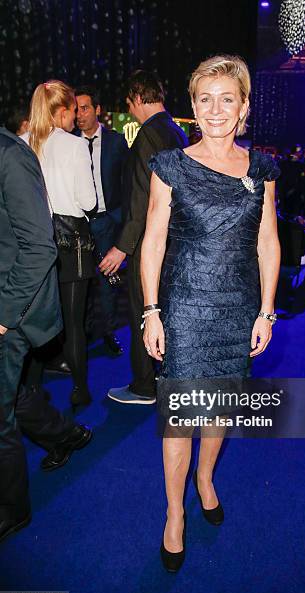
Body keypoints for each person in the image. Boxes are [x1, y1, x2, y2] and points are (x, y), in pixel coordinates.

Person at [141, 55, 281, 571]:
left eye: (228, 98)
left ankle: (205, 479)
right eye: (205, 99)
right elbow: (152, 241)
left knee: (220, 407)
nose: (216, 109)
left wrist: (267, 312)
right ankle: (174, 513)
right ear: (193, 107)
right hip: (186, 307)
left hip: (239, 307)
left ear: (244, 105)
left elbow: (268, 242)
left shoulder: (263, 169)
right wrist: (151, 311)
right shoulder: (171, 166)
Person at [0, 127, 92, 545]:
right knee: (15, 395)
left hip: (12, 308)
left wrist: (3, 317)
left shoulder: (11, 156)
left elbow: (40, 247)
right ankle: (65, 434)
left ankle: (12, 510)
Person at [105, 70, 188, 405]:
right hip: (175, 240)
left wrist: (122, 248)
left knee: (145, 309)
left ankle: (143, 386)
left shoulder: (147, 136)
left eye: (129, 102)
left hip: (149, 242)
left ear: (137, 97)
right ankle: (166, 378)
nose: (131, 109)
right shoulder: (177, 132)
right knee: (166, 311)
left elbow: (141, 199)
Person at [23, 81, 97, 407]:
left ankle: (32, 388)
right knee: (74, 321)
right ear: (63, 110)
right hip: (72, 241)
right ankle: (80, 390)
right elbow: (88, 201)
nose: (76, 117)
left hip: (33, 242)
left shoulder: (21, 143)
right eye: (73, 111)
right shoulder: (75, 146)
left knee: (40, 319)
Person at [75, 85, 129, 355]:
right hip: (78, 225)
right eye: (76, 110)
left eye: (85, 108)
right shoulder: (68, 142)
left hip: (108, 221)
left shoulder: (116, 142)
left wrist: (121, 219)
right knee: (80, 282)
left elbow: (126, 182)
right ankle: (82, 334)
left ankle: (108, 332)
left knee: (109, 281)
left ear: (97, 110)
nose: (79, 114)